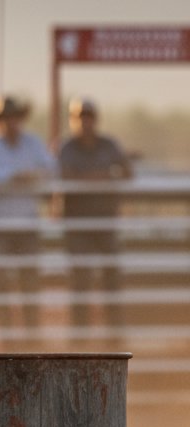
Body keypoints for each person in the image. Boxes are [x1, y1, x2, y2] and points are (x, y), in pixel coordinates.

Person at [0, 95, 56, 331]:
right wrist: (24, 176)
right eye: (5, 118)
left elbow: (50, 169)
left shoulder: (31, 143)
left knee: (29, 280)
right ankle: (7, 331)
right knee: (1, 282)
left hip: (26, 222)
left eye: (13, 117)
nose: (10, 122)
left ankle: (31, 330)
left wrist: (18, 176)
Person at [58, 98, 132, 330]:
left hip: (105, 220)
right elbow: (66, 175)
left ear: (95, 119)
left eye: (88, 117)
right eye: (80, 117)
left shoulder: (108, 145)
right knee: (80, 278)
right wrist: (104, 176)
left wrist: (91, 177)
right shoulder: (67, 147)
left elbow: (127, 172)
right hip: (78, 222)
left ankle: (114, 330)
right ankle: (80, 333)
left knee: (111, 276)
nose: (85, 122)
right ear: (73, 120)